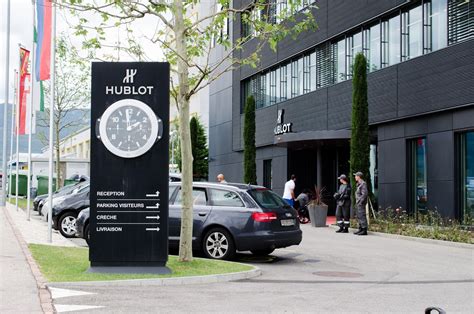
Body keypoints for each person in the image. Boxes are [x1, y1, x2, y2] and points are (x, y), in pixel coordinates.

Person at [353, 171, 368, 236]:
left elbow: (364, 194)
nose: (355, 177)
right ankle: (360, 229)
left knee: (362, 216)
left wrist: (360, 202)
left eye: (356, 176)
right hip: (358, 203)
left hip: (360, 203)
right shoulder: (358, 184)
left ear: (359, 177)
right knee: (359, 216)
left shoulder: (363, 183)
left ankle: (364, 230)